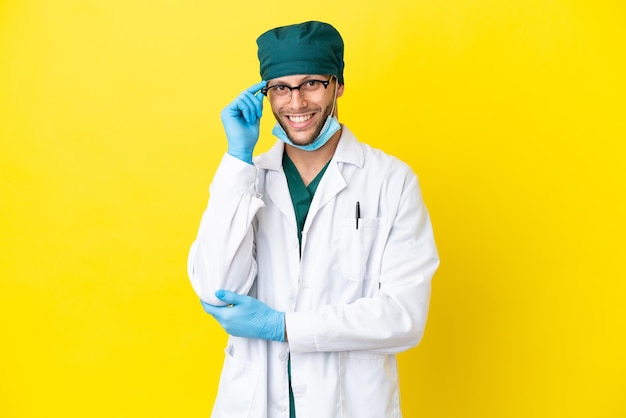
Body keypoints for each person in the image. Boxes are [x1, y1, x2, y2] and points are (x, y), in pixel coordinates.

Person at [187, 21, 439, 418]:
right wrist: (237, 158)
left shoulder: (390, 180)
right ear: (265, 94)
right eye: (280, 88)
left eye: (312, 84)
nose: (296, 102)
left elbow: (404, 316)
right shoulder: (247, 178)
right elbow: (217, 288)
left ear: (337, 85)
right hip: (253, 403)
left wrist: (284, 326)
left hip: (351, 405)